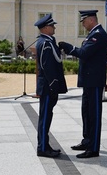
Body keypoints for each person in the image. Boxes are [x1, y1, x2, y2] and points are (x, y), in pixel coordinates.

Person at [59, 10, 107, 158]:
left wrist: (69, 47)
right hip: (89, 81)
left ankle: (93, 148)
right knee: (86, 113)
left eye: (84, 21)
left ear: (91, 20)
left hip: (94, 81)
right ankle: (87, 140)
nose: (82, 24)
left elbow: (84, 53)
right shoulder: (93, 34)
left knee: (94, 115)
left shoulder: (98, 34)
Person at [34, 14, 67, 158]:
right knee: (45, 117)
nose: (54, 28)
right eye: (52, 26)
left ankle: (45, 145)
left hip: (49, 86)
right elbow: (47, 67)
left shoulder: (48, 41)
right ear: (46, 28)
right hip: (48, 87)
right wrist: (54, 85)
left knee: (47, 117)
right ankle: (42, 147)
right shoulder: (46, 43)